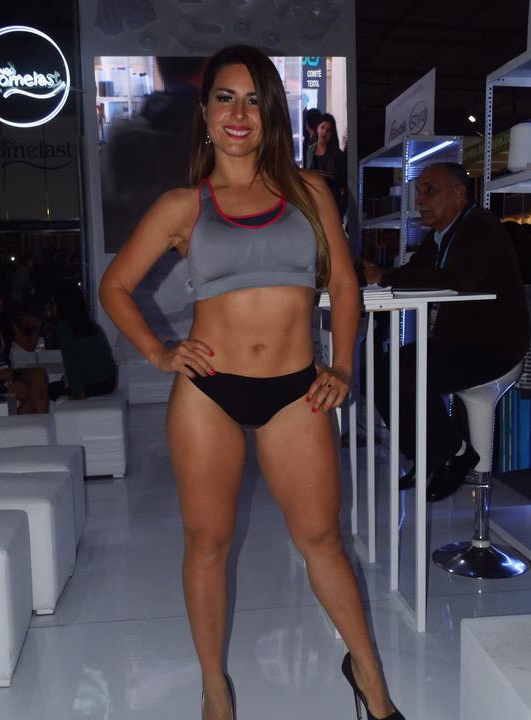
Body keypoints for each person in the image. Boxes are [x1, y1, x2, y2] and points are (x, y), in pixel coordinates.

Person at [100, 45, 404, 720]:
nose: (239, 114)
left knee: (322, 541)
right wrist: (159, 352)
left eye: (254, 100)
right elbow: (114, 286)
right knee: (207, 544)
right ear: (205, 114)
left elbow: (345, 286)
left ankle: (370, 680)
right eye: (225, 98)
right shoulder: (184, 205)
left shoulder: (310, 191)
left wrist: (343, 365)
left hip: (296, 390)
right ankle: (216, 691)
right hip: (208, 394)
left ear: (272, 114)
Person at [363, 162, 530, 502]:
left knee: (405, 371)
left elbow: (457, 279)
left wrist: (384, 276)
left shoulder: (481, 226)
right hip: (459, 343)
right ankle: (426, 455)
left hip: (494, 348)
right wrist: (380, 275)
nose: (420, 199)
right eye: (418, 191)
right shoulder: (441, 235)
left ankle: (454, 454)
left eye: (430, 190)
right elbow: (416, 272)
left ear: (458, 194)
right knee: (377, 369)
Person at [0, 282, 48, 413]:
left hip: (9, 374)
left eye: (0, 297)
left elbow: (29, 346)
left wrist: (37, 325)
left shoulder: (5, 324)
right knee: (29, 391)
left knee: (39, 375)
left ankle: (41, 421)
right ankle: (42, 422)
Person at [51, 285, 116, 400]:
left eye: (53, 303)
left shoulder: (64, 328)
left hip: (92, 385)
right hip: (109, 382)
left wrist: (78, 392)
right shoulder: (90, 325)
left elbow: (72, 362)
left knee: (43, 390)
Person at [305, 112, 347, 219]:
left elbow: (342, 181)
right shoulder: (309, 151)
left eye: (328, 130)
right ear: (317, 128)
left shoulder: (337, 155)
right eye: (322, 128)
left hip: (331, 204)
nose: (324, 132)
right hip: (313, 203)